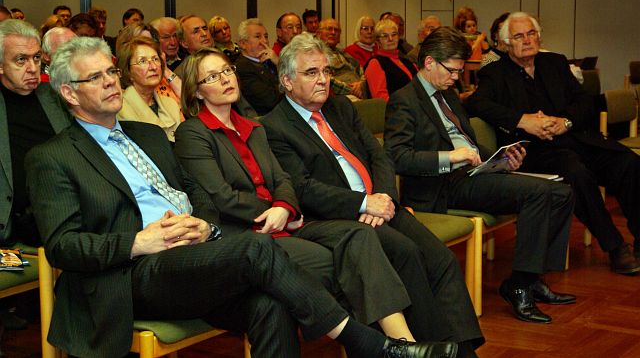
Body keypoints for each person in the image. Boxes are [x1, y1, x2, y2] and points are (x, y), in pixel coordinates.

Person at [26, 36, 453, 358]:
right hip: (135, 270)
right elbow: (62, 246)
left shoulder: (149, 135)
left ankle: (382, 344)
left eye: (110, 72)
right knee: (256, 246)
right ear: (69, 93)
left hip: (197, 252)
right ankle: (369, 344)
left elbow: (198, 192)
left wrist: (205, 225)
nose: (109, 82)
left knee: (271, 304)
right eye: (94, 77)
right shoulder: (52, 157)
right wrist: (140, 241)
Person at [174, 47, 444, 343]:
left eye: (227, 70)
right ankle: (388, 346)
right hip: (247, 233)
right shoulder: (193, 132)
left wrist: (284, 207)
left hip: (287, 222)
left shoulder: (254, 128)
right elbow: (221, 196)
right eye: (213, 76)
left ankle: (401, 342)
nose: (226, 79)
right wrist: (276, 210)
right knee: (347, 264)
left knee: (359, 235)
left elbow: (283, 179)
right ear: (197, 91)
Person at [261, 33, 484, 357]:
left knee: (442, 259)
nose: (323, 80)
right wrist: (364, 204)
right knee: (407, 254)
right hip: (338, 216)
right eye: (311, 73)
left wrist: (384, 196)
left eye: (326, 71)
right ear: (287, 81)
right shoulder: (274, 126)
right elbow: (303, 188)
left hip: (379, 205)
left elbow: (379, 155)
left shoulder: (339, 107)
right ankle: (431, 350)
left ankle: (463, 351)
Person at [385, 26, 576, 323]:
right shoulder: (404, 100)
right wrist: (449, 157)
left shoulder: (448, 95)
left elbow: (469, 142)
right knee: (538, 193)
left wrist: (501, 158)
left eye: (459, 71)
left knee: (563, 193)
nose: (456, 77)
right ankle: (520, 286)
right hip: (441, 184)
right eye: (451, 70)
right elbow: (397, 156)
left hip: (471, 174)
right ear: (429, 62)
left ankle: (530, 277)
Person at [466, 11, 640, 275]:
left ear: (539, 37)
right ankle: (615, 246)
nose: (527, 40)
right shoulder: (495, 73)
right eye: (519, 36)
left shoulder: (555, 62)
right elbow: (476, 104)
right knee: (576, 174)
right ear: (506, 43)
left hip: (575, 138)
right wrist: (522, 120)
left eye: (531, 34)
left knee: (629, 163)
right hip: (535, 150)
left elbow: (585, 102)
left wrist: (565, 122)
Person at [0, 19, 71, 247]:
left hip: (65, 216)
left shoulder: (55, 97)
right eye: (21, 59)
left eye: (37, 58)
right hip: (11, 229)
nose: (32, 68)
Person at [116, 36, 182, 141]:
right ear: (128, 72)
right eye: (143, 61)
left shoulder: (171, 104)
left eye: (155, 59)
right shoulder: (119, 108)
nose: (153, 67)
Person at [116, 22, 182, 102]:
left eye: (149, 42)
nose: (147, 47)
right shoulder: (122, 89)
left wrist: (165, 70)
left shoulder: (160, 75)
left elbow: (187, 100)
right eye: (140, 42)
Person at [234, 18, 282, 115]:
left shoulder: (271, 60)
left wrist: (278, 63)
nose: (264, 41)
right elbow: (271, 101)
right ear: (243, 44)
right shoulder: (242, 67)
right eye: (258, 36)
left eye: (266, 36)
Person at [364, 19, 417, 101]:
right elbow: (381, 99)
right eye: (385, 36)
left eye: (394, 34)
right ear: (378, 41)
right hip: (396, 107)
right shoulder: (375, 63)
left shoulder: (407, 61)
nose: (390, 39)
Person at [316, 18, 368, 98]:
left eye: (336, 30)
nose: (333, 32)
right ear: (319, 33)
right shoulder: (316, 55)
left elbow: (362, 72)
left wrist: (361, 85)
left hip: (360, 92)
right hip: (341, 96)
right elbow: (327, 80)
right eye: (329, 29)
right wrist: (352, 90)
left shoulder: (345, 54)